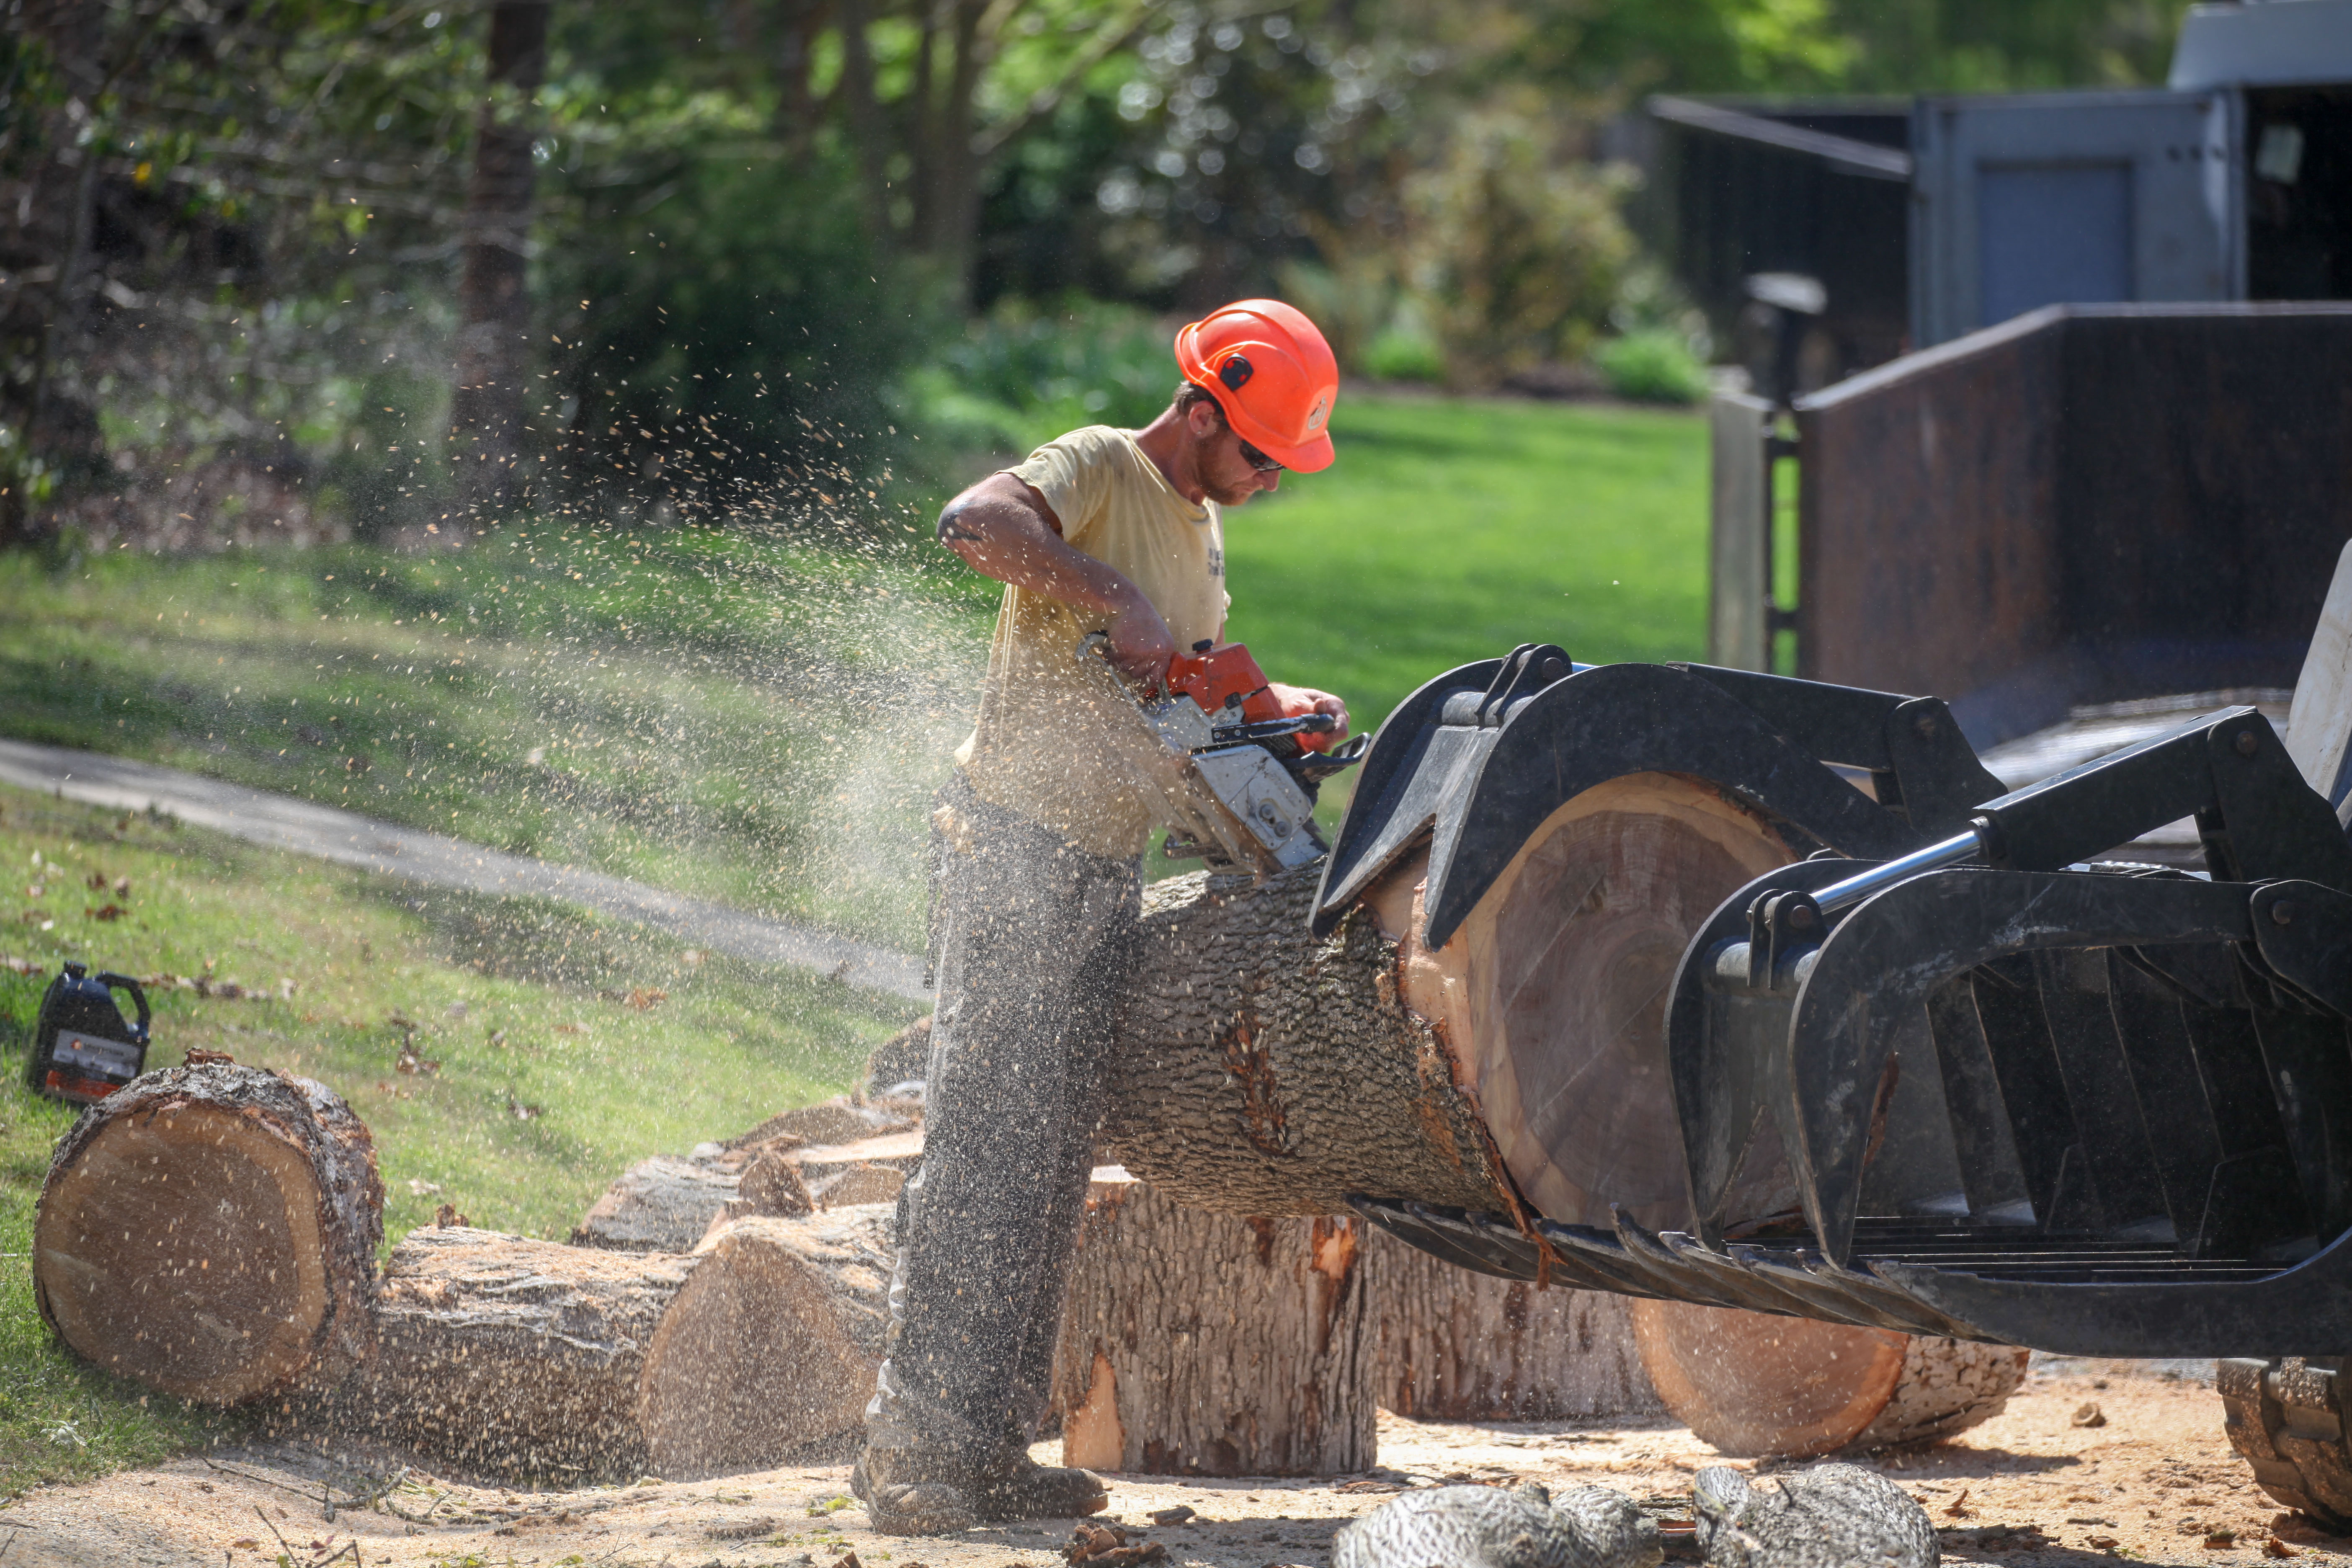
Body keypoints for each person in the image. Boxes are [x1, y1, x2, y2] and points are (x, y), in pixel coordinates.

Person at [851, 300, 1351, 1535]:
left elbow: (1172, 687)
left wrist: (1273, 701)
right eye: (1260, 456)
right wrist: (1106, 591)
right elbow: (973, 522)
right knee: (979, 1153)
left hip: (1100, 870)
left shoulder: (1203, 530)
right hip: (1014, 846)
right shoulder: (1102, 468)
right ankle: (908, 1453)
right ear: (1199, 410)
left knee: (1050, 1166)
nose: (1270, 483)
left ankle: (989, 1452)